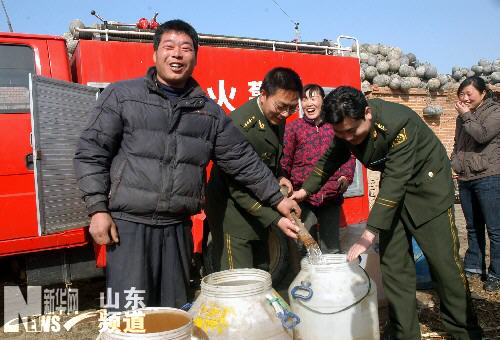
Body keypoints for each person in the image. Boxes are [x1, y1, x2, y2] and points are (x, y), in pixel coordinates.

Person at [73, 20, 300, 311]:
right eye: (169, 47)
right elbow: (91, 152)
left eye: (186, 48)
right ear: (155, 53)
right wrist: (97, 209)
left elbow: (243, 161)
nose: (177, 54)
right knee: (129, 315)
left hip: (177, 229)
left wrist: (277, 199)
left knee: (174, 312)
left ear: (195, 57)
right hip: (128, 226)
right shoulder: (122, 97)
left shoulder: (208, 113)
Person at [292, 86, 482, 339]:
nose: (347, 138)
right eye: (341, 134)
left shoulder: (397, 123)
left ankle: (464, 330)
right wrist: (303, 192)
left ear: (367, 114)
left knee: (444, 265)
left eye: (351, 131)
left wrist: (368, 234)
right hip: (394, 192)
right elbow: (329, 160)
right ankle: (403, 332)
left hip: (428, 189)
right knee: (393, 266)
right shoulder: (345, 129)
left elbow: (395, 181)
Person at [205, 67, 302, 272]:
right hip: (232, 213)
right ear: (263, 94)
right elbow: (236, 187)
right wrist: (275, 218)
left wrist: (279, 176)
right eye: (281, 106)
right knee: (238, 280)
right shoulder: (240, 127)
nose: (285, 114)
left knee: (261, 271)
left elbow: (270, 157)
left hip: (259, 207)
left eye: (292, 108)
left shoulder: (276, 117)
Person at [281, 84, 356, 253]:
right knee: (304, 249)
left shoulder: (334, 126)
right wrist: (283, 182)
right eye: (304, 99)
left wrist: (345, 177)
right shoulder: (293, 128)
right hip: (302, 199)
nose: (308, 103)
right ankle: (306, 279)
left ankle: (330, 279)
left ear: (323, 100)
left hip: (331, 196)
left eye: (313, 98)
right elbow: (285, 160)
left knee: (332, 249)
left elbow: (348, 156)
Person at [451, 76, 500, 292]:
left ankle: (497, 274)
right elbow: (458, 143)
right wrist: (455, 160)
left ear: (483, 93)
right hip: (466, 177)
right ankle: (473, 267)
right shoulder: (462, 118)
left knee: (495, 229)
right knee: (472, 227)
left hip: (489, 176)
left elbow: (481, 135)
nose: (465, 98)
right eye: (462, 94)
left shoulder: (495, 112)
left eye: (469, 93)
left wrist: (466, 116)